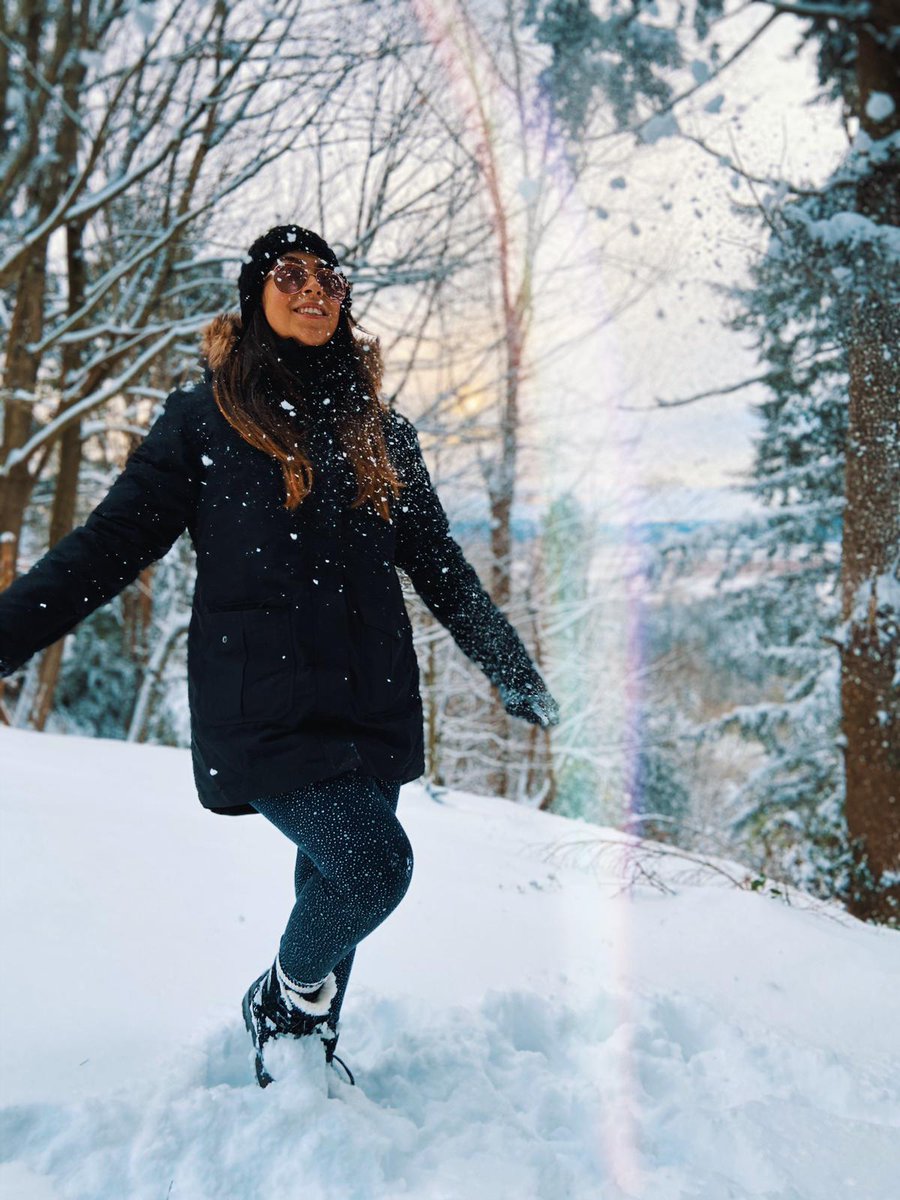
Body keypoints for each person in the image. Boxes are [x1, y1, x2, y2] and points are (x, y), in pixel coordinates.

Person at [0, 225, 560, 1088]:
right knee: (376, 867)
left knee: (330, 882)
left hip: (369, 699)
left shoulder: (385, 433)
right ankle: (283, 1001)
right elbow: (108, 547)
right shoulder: (205, 422)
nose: (314, 291)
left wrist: (507, 662)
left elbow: (441, 567)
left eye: (329, 279)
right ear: (255, 295)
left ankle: (301, 1056)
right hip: (262, 704)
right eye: (290, 275)